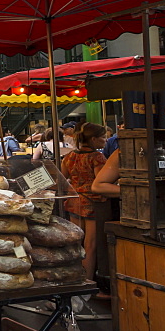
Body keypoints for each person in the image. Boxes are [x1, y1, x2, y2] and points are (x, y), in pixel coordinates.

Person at [61, 122, 107, 284]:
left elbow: (62, 179)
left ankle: (72, 277)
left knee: (75, 242)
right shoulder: (97, 157)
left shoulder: (70, 156)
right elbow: (101, 182)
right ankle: (86, 282)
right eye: (102, 137)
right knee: (90, 244)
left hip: (73, 200)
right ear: (93, 139)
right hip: (92, 202)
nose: (105, 140)